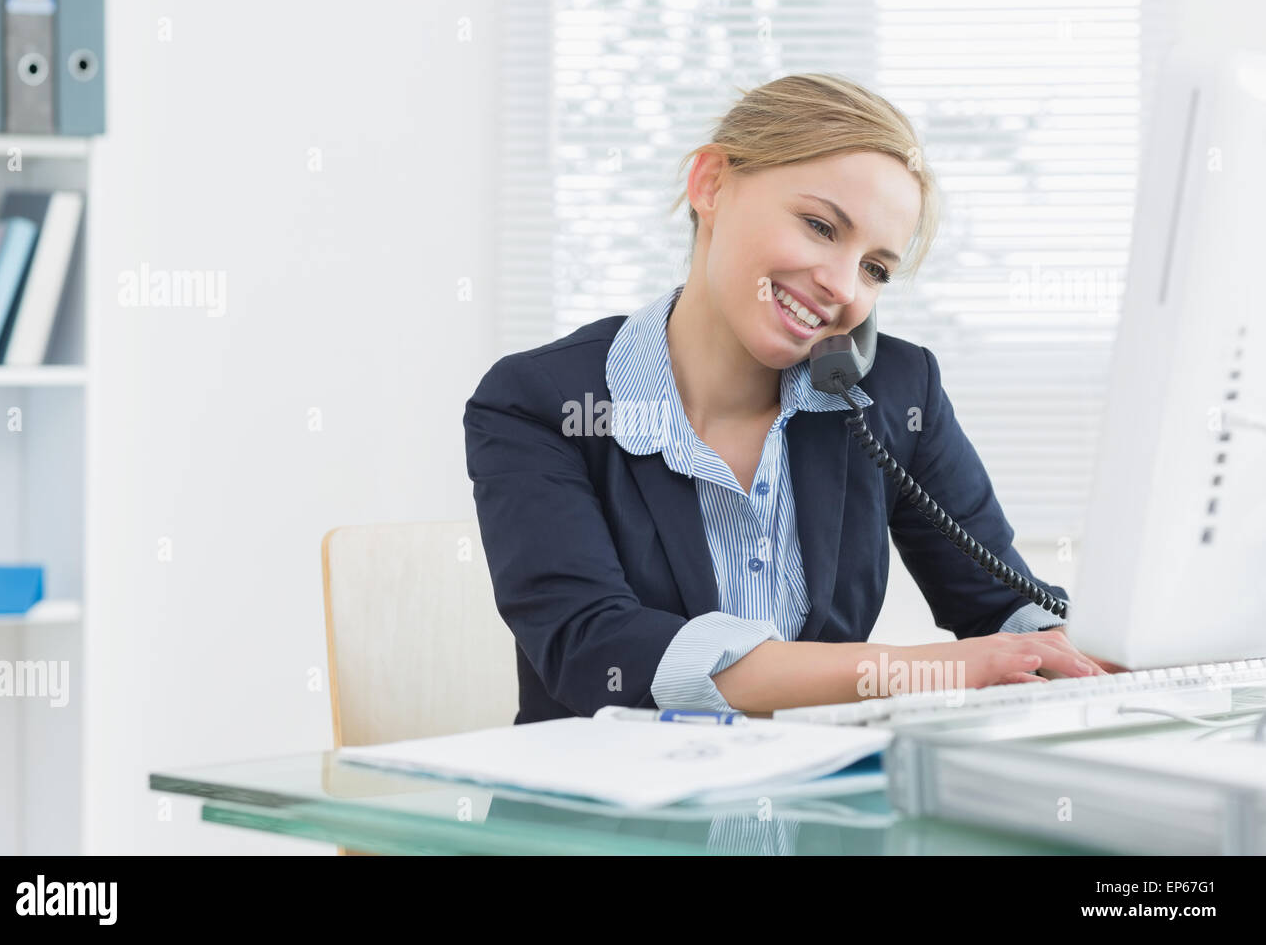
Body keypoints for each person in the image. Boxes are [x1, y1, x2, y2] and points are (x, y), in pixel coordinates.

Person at [464, 73, 1111, 727]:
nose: (842, 287)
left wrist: (1096, 650)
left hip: (818, 812)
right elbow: (597, 652)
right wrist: (928, 670)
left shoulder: (891, 394)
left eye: (875, 268)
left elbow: (1005, 607)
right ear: (711, 184)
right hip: (608, 819)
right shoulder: (540, 403)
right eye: (820, 226)